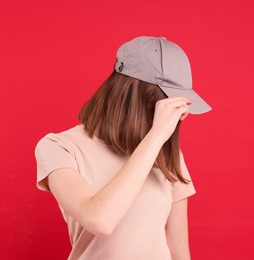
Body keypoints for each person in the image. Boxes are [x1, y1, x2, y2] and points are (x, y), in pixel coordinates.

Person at [35, 36, 211, 260]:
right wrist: (155, 137)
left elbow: (178, 251)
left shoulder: (167, 153)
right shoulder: (60, 147)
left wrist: (158, 143)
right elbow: (100, 220)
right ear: (132, 96)